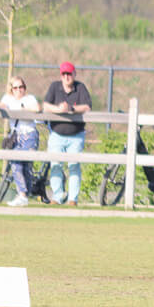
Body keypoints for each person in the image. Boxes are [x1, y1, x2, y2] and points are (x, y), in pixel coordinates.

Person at [43, 61, 92, 205]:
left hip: (76, 136)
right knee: (55, 165)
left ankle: (72, 199)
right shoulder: (54, 86)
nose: (66, 77)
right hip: (56, 134)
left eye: (69, 74)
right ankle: (57, 197)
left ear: (74, 74)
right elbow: (46, 105)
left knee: (74, 166)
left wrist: (71, 108)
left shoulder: (80, 87)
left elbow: (87, 107)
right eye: (64, 74)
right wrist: (59, 109)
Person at [0, 76, 42, 206]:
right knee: (16, 162)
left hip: (29, 135)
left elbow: (37, 108)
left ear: (25, 88)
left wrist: (23, 109)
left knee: (26, 165)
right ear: (11, 89)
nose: (18, 90)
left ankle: (24, 195)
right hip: (16, 136)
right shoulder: (8, 98)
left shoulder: (29, 99)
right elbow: (2, 105)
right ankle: (22, 194)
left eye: (21, 87)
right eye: (15, 88)